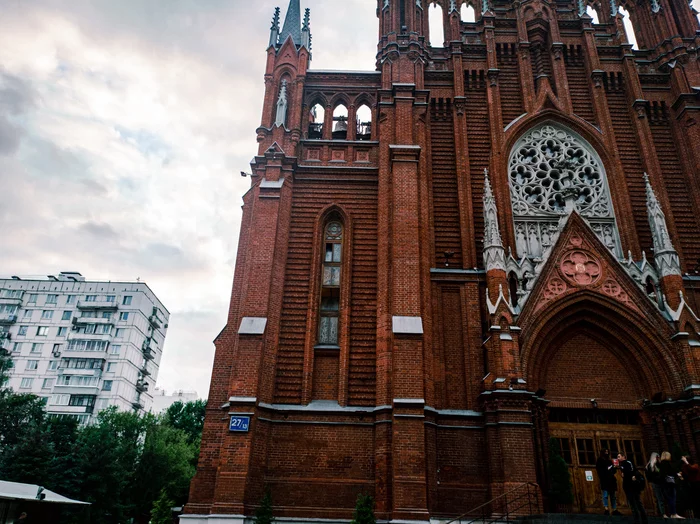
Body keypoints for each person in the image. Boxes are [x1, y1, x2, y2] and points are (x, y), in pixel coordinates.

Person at [618, 451, 649, 524]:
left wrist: (627, 475)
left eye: (619, 456)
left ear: (623, 456)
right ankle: (637, 519)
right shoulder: (622, 464)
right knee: (633, 504)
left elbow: (631, 471)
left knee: (637, 503)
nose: (618, 458)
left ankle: (643, 519)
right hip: (627, 486)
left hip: (632, 486)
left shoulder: (628, 463)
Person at [659, 451, 684, 519]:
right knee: (672, 498)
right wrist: (677, 474)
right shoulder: (666, 463)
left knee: (670, 499)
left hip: (665, 484)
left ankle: (672, 513)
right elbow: (670, 471)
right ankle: (673, 514)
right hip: (669, 483)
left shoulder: (662, 464)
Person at [597, 449, 621, 515]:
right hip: (605, 480)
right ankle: (606, 509)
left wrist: (614, 467)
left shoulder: (609, 461)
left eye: (607, 452)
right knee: (605, 495)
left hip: (611, 480)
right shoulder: (599, 461)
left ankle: (614, 509)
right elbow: (600, 471)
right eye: (605, 452)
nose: (607, 453)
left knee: (613, 495)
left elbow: (613, 471)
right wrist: (608, 469)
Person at [647, 452, 666, 517]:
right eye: (657, 457)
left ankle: (662, 512)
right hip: (655, 483)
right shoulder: (650, 466)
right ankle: (662, 513)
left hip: (662, 482)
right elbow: (650, 475)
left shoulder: (659, 464)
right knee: (659, 498)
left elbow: (662, 472)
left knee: (663, 498)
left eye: (658, 457)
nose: (658, 458)